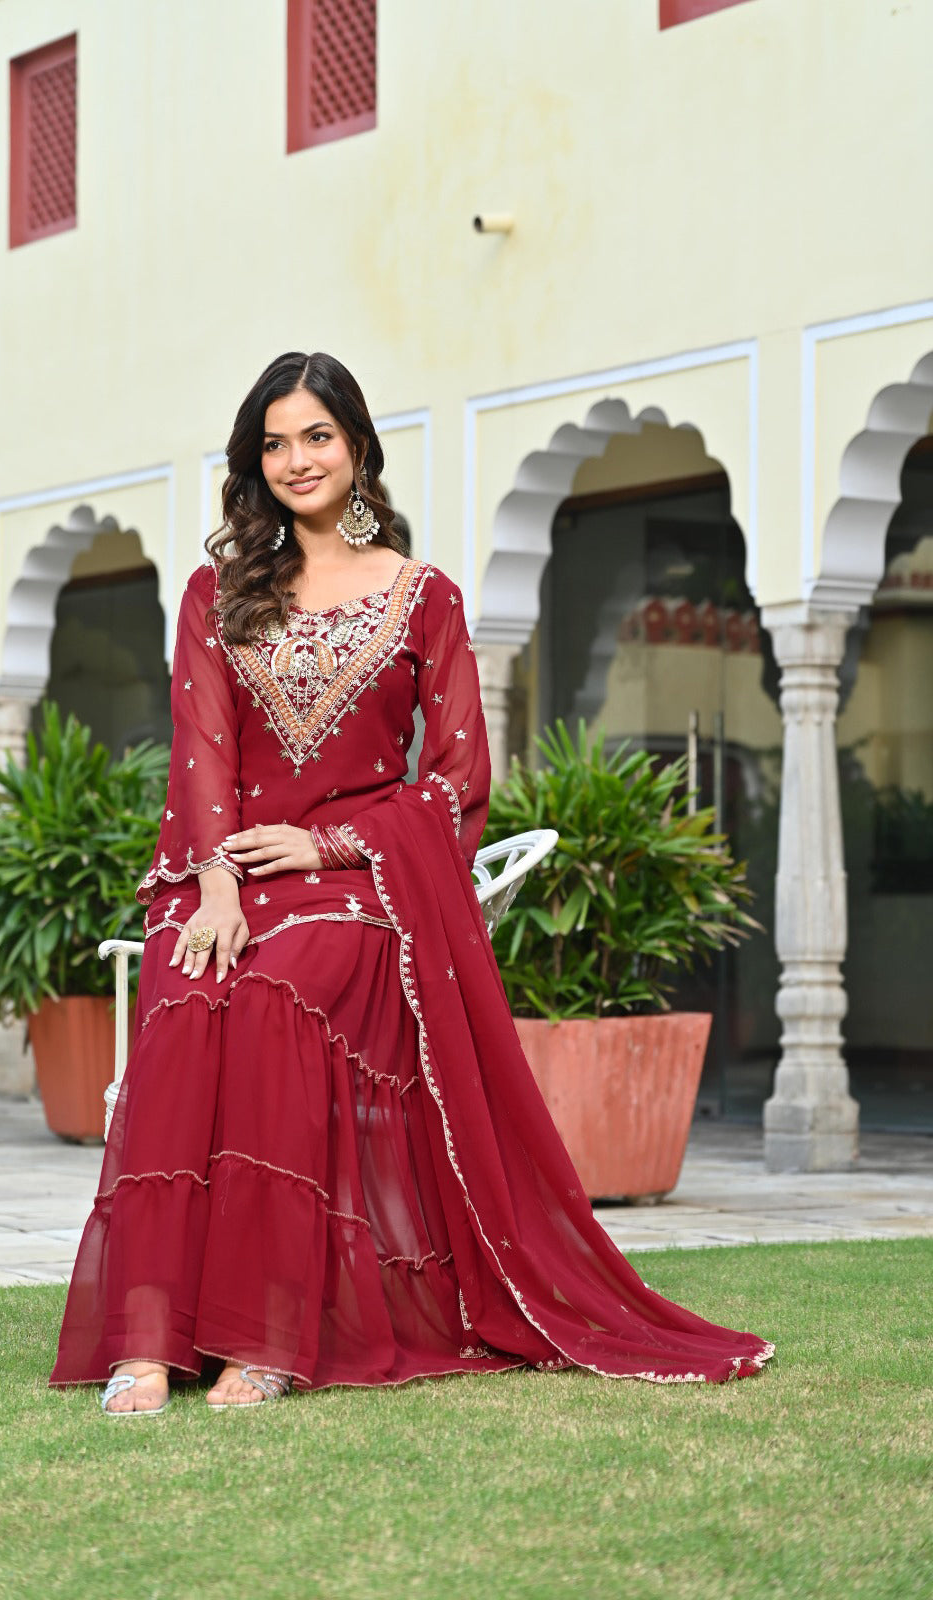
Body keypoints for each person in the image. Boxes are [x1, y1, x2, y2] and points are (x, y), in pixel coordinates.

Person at [50, 351, 773, 1414]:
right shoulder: (218, 590)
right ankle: (151, 1336)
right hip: (224, 873)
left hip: (357, 882)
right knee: (189, 985)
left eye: (316, 436)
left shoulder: (420, 594)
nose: (295, 459)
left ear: (356, 447)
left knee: (273, 995)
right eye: (273, 442)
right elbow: (198, 751)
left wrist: (329, 848)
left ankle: (266, 1335)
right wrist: (209, 886)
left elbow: (457, 779)